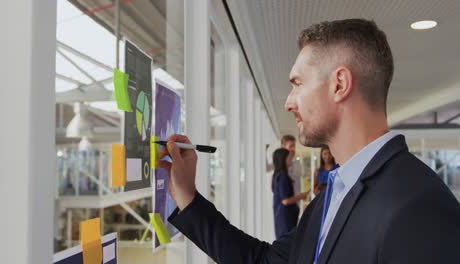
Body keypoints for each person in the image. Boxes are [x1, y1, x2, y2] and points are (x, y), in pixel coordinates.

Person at [158, 19, 460, 263]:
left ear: (339, 84)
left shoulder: (418, 207)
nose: (289, 103)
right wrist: (187, 196)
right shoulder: (332, 196)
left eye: (298, 84)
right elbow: (265, 261)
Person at [271, 148, 307, 239]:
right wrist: (301, 196)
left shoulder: (278, 175)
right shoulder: (283, 175)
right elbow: (286, 200)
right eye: (289, 158)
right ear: (283, 159)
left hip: (282, 217)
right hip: (285, 218)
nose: (291, 160)